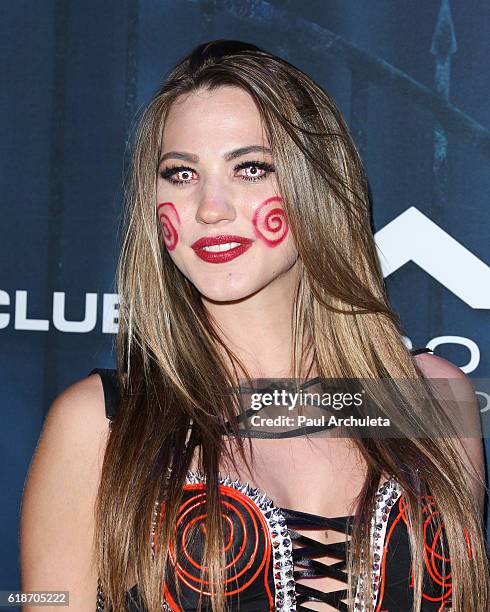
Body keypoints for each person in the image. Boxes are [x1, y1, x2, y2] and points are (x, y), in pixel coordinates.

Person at [20, 40, 488, 612]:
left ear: (316, 186)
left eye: (250, 168)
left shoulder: (431, 401)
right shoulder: (102, 424)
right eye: (181, 173)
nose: (211, 207)